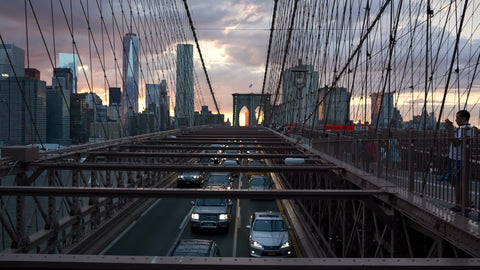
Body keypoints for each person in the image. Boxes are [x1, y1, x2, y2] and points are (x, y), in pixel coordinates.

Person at [445, 110, 474, 212]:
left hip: (459, 159)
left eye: (458, 118)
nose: (456, 120)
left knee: (457, 183)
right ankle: (466, 202)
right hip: (455, 158)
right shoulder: (464, 129)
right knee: (454, 182)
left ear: (464, 118)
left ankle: (459, 205)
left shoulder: (466, 129)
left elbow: (455, 143)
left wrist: (449, 129)